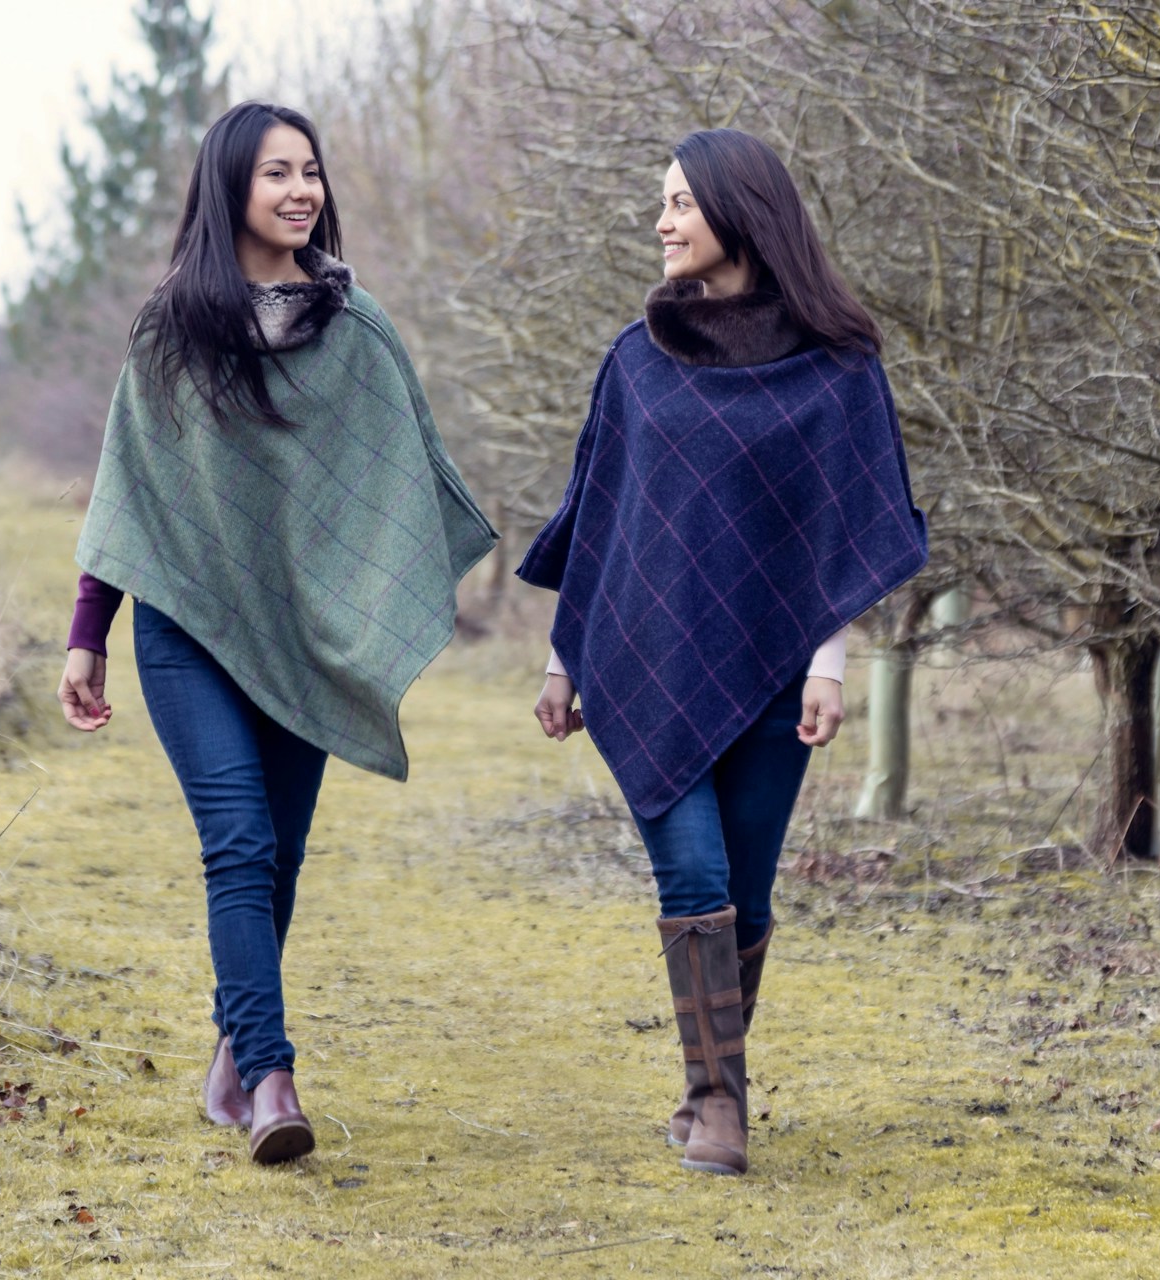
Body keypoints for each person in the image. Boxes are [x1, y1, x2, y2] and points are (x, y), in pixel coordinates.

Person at [58, 101, 497, 1165]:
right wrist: (88, 631)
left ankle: (232, 1051)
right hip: (187, 627)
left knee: (281, 853)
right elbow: (134, 488)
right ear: (231, 190)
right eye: (276, 175)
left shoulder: (357, 325)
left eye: (311, 171)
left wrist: (373, 585)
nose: (301, 190)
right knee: (240, 844)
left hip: (303, 634)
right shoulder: (175, 327)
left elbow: (395, 478)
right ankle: (272, 1075)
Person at [517, 128, 927, 1177]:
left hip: (779, 669)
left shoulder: (836, 370)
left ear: (740, 213)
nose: (662, 221)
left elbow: (843, 535)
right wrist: (565, 657)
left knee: (745, 890)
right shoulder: (635, 362)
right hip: (641, 662)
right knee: (692, 869)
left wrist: (830, 664)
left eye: (682, 203)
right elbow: (600, 522)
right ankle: (718, 1102)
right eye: (660, 202)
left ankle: (710, 1090)